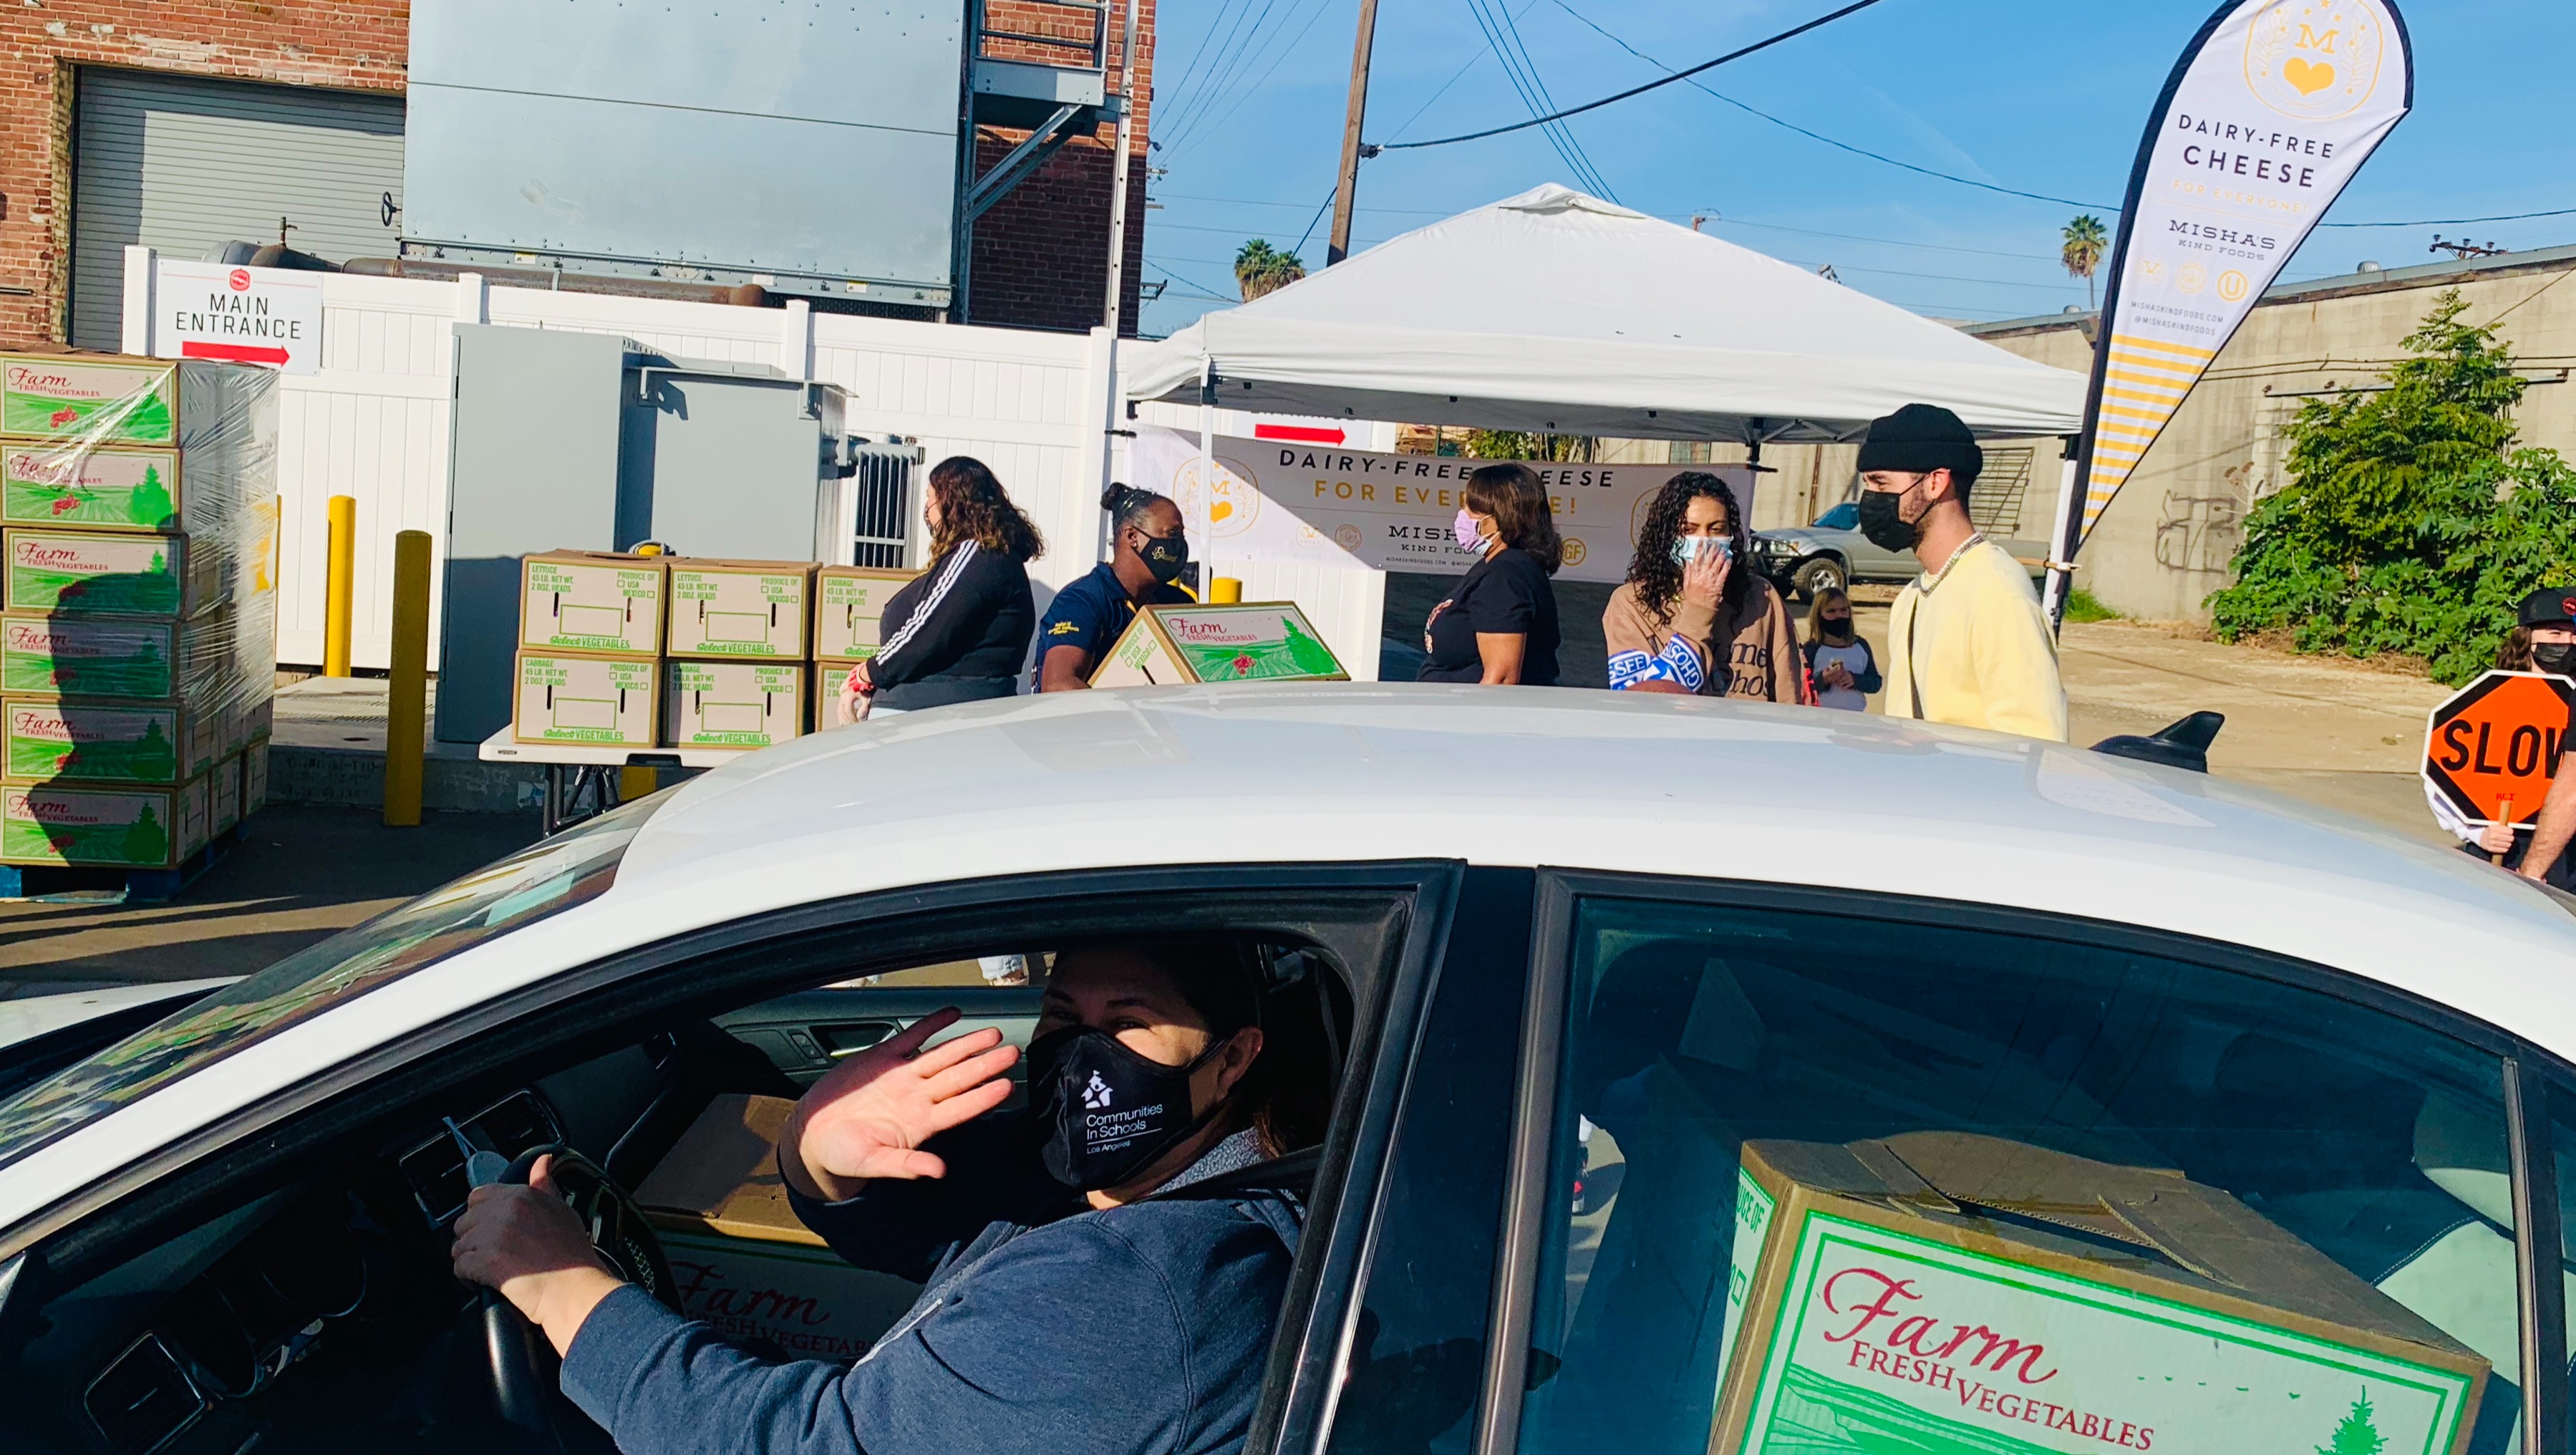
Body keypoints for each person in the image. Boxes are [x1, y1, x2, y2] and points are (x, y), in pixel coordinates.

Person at [452, 942, 1325, 1455]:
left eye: (1128, 1024)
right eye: (1063, 1016)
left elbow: (805, 1444)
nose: (1083, 1057)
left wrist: (565, 1289)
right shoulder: (1125, 1183)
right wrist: (816, 1153)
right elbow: (938, 1236)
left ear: (1233, 1057)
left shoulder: (1148, 1288)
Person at [1860, 404, 2068, 741]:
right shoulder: (1911, 597)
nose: (1870, 498)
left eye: (1880, 483)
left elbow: (2035, 745)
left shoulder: (1998, 595)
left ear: (1935, 482)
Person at [841, 457, 1042, 718]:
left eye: (930, 498)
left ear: (952, 504)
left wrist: (868, 673)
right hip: (929, 708)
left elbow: (926, 630)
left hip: (936, 711)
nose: (927, 509)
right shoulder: (979, 558)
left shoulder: (977, 556)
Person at [1602, 472, 1806, 702]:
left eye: (1716, 529)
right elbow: (1640, 701)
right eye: (1689, 530)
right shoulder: (1631, 603)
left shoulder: (1761, 596)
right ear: (1667, 536)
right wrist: (1699, 609)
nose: (1704, 541)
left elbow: (1790, 689)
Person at [1035, 484, 1196, 691]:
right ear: (1132, 537)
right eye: (1171, 534)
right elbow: (1059, 685)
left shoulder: (1177, 603)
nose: (1179, 545)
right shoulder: (1082, 601)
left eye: (1181, 536)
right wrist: (1124, 707)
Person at [1419, 463, 1562, 686]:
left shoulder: (1505, 578)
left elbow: (1501, 679)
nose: (1464, 516)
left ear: (1506, 517)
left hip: (1469, 708)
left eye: (1474, 510)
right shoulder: (1498, 566)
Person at [2476, 586, 2576, 891]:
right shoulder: (2491, 697)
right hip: (2502, 848)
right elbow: (2451, 778)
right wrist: (2477, 834)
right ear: (2527, 639)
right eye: (2555, 634)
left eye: (2574, 635)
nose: (2568, 643)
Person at [1801, 587, 1881, 712]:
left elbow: (1875, 683)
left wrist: (1855, 680)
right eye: (1831, 611)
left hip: (1854, 715)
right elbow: (1801, 688)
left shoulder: (1860, 646)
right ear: (1819, 616)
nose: (1839, 616)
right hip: (1820, 716)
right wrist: (1824, 679)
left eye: (1843, 610)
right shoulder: (1811, 649)